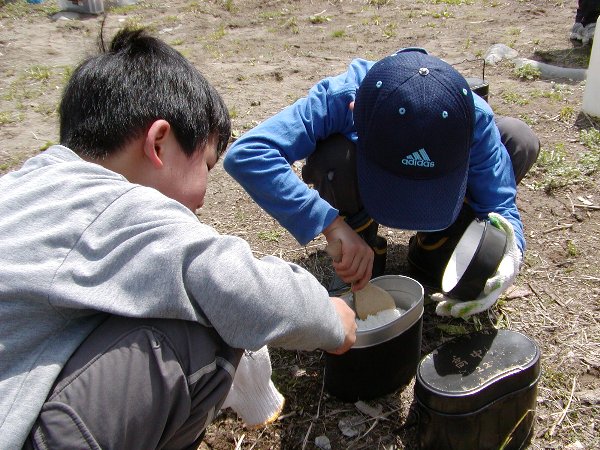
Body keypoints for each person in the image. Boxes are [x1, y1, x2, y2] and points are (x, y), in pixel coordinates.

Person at [0, 28, 357, 449]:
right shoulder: (112, 206)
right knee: (201, 326)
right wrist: (331, 316)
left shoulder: (29, 185)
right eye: (205, 164)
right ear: (158, 143)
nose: (203, 200)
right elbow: (231, 284)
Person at [224, 48, 540, 319]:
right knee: (333, 157)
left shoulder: (472, 119)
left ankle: (436, 249)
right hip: (353, 181)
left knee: (516, 139)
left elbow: (499, 205)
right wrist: (332, 225)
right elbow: (248, 154)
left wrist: (510, 252)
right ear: (356, 113)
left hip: (461, 160)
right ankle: (362, 255)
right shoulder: (346, 97)